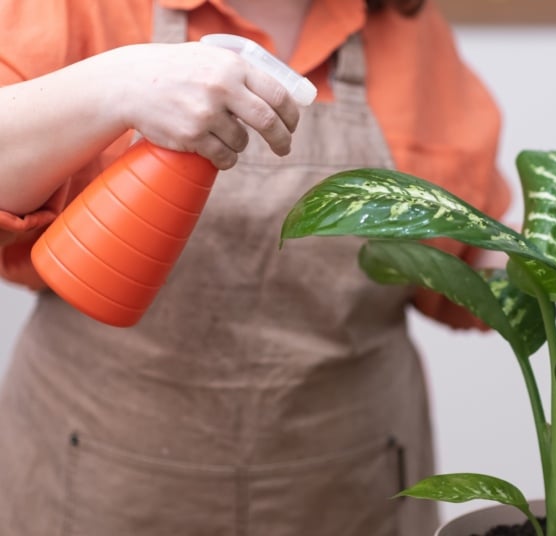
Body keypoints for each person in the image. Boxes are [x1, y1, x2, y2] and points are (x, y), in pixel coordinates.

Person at [0, 0, 511, 534]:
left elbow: (460, 257)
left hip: (349, 493)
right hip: (104, 485)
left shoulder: (406, 31)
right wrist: (118, 87)